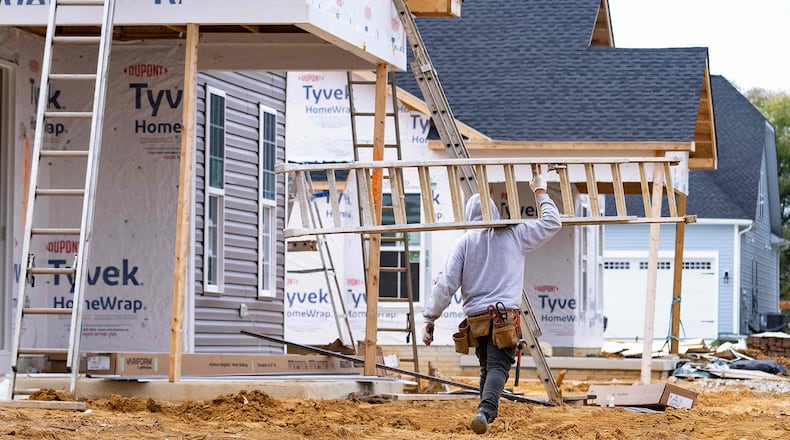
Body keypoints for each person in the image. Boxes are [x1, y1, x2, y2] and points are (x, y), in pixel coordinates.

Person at [422, 173, 561, 434]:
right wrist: (540, 191)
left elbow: (446, 283)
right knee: (498, 367)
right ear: (495, 213)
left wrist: (430, 318)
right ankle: (485, 411)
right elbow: (553, 222)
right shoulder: (514, 234)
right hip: (503, 318)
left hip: (476, 321)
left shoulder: (464, 243)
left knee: (487, 367)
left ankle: (483, 413)